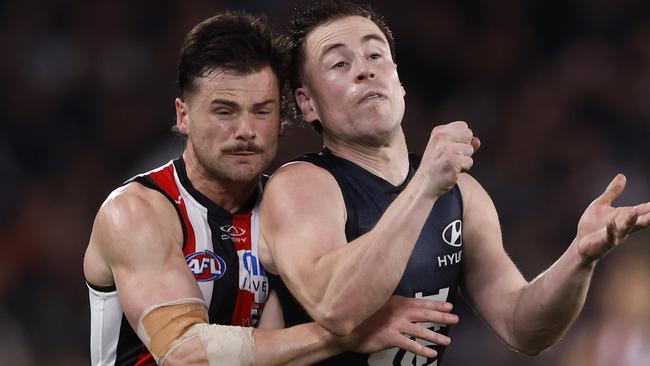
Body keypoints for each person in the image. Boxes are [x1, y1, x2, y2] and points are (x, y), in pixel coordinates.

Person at [257, 1, 650, 365]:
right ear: (307, 103)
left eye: (376, 54)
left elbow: (523, 327)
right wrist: (424, 187)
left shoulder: (460, 194)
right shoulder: (301, 185)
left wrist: (578, 258)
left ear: (399, 83)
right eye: (339, 64)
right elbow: (336, 308)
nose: (365, 68)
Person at [82, 11, 455, 366]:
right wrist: (343, 335)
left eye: (261, 111)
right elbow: (185, 352)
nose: (245, 130)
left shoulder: (291, 208)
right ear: (183, 116)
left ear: (282, 118)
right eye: (224, 111)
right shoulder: (137, 212)